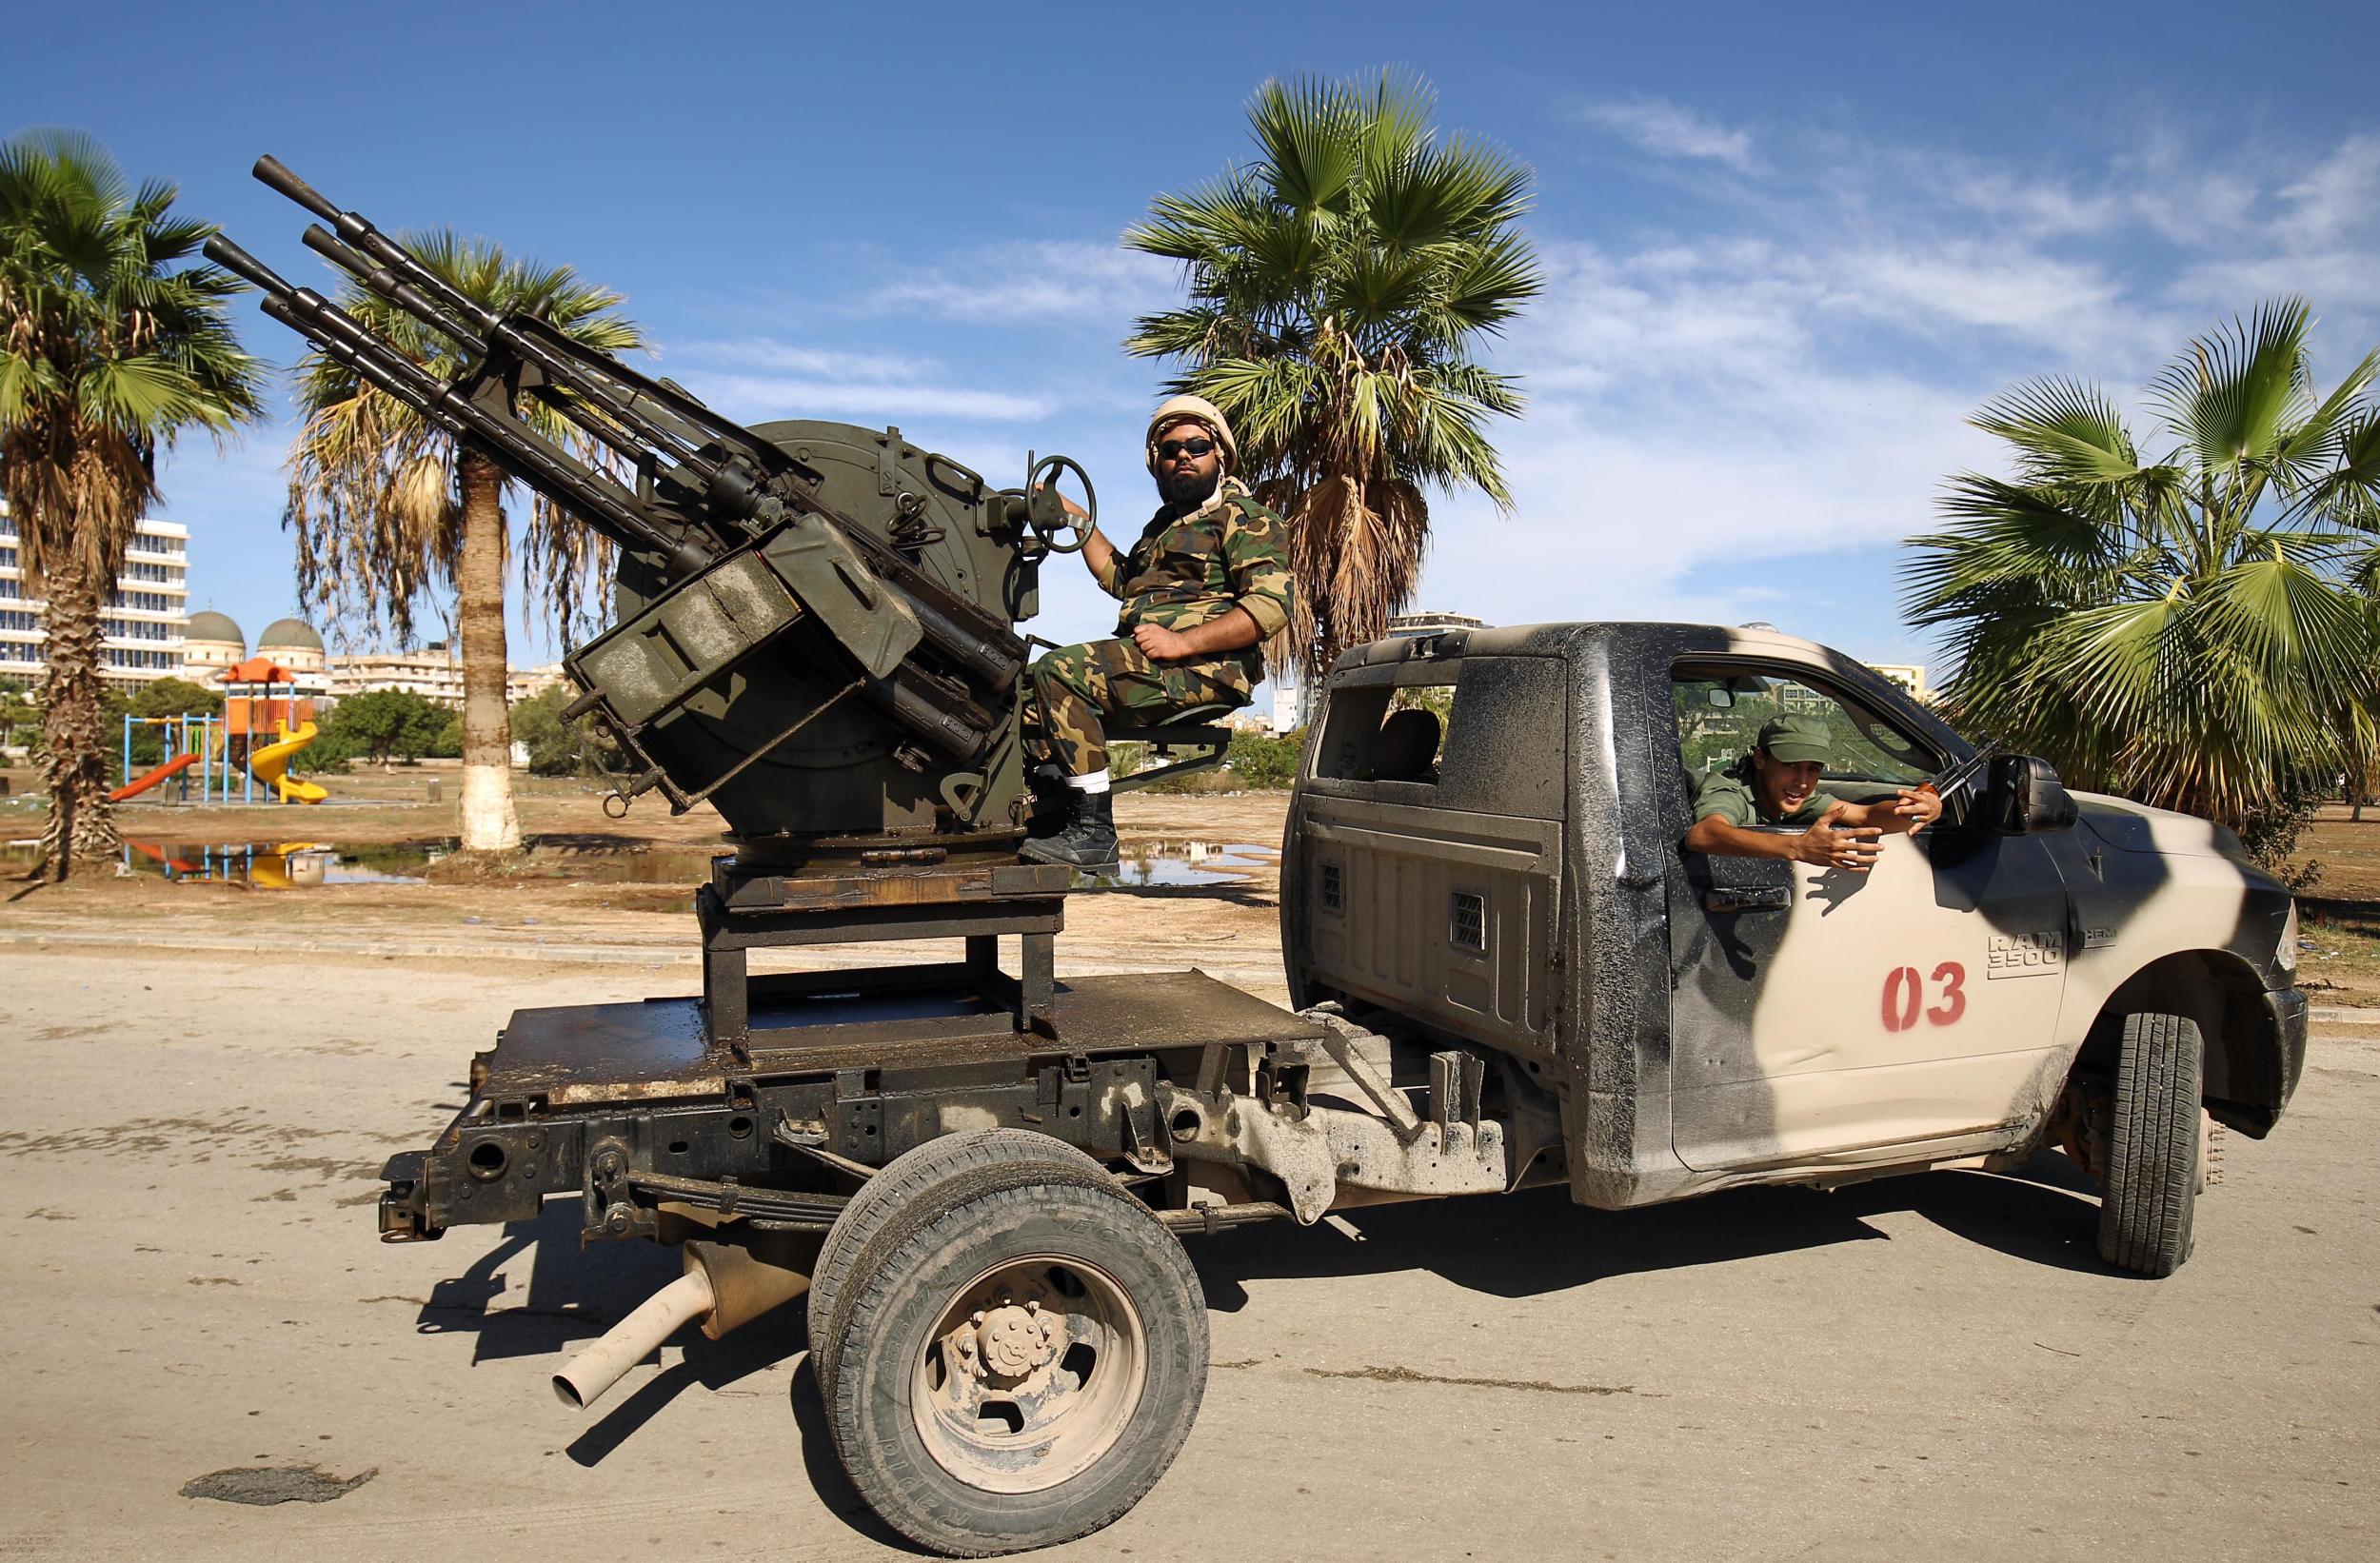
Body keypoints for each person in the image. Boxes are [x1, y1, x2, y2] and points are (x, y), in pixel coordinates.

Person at [1020, 394, 1293, 871]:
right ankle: (1052, 813)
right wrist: (1076, 519)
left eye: (1196, 445)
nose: (1183, 455)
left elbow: (1269, 607)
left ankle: (1094, 835)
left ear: (1220, 456)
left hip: (1204, 668)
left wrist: (1182, 642)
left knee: (1059, 672)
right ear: (1158, 465)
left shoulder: (1243, 517)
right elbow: (1122, 579)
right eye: (1170, 450)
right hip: (1155, 662)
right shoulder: (1164, 528)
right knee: (1021, 697)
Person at [1683, 714, 1941, 872]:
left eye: (1813, 769)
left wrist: (1920, 811)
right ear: (1760, 759)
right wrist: (1797, 846)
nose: (1803, 782)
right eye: (1791, 766)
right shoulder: (1731, 791)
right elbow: (1703, 834)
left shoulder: (1795, 797)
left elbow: (1865, 816)